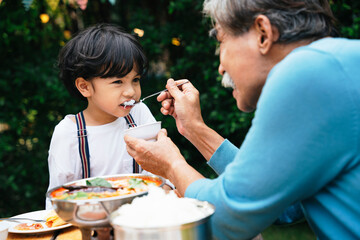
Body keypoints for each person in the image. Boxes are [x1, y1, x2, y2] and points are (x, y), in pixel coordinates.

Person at [124, 0, 360, 239]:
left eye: (221, 42)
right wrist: (194, 129)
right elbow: (284, 205)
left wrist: (171, 165)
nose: (220, 67)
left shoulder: (306, 74)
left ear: (263, 33)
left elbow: (227, 219)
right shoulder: (332, 68)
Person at [45, 23, 172, 210]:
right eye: (118, 81)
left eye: (135, 80)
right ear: (85, 87)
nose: (131, 91)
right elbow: (58, 201)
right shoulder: (69, 133)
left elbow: (161, 174)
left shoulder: (139, 113)